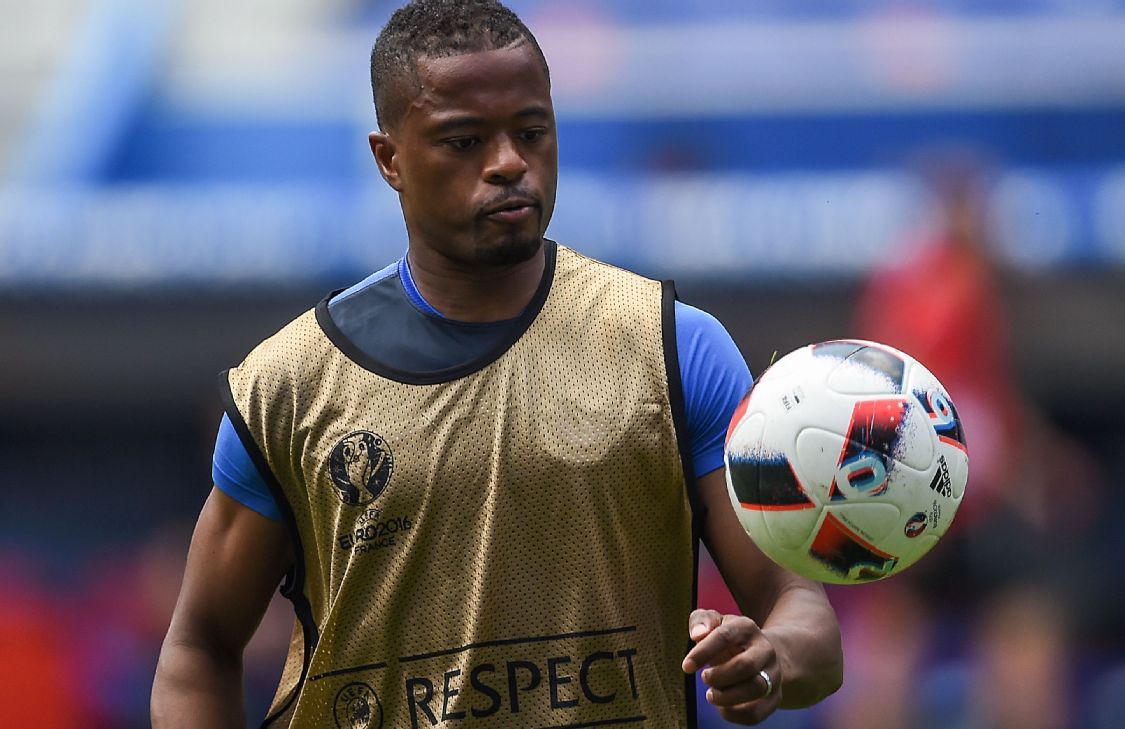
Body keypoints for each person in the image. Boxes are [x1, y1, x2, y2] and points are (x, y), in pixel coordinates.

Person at [151, 2, 842, 727]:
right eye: (465, 140)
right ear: (389, 159)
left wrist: (770, 656)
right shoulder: (288, 387)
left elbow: (805, 618)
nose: (509, 161)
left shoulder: (674, 348)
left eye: (531, 132)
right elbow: (198, 648)